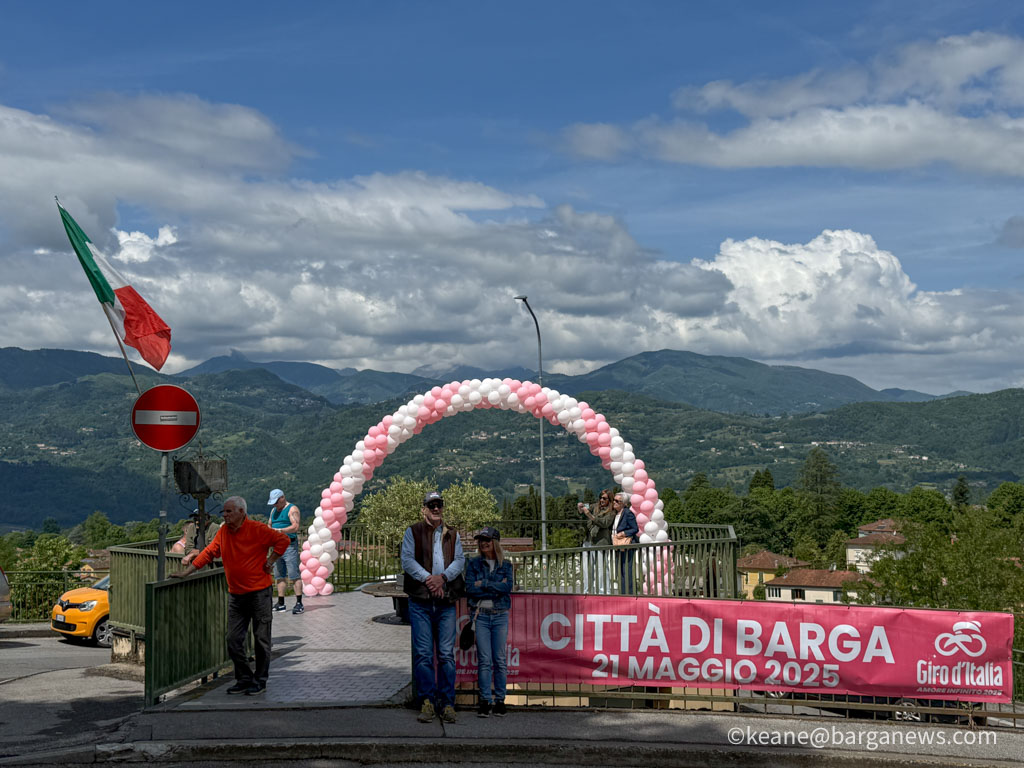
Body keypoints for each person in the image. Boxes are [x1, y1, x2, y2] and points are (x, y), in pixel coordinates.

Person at [171, 496, 290, 696]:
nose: (224, 516)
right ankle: (244, 678)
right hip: (236, 595)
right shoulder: (224, 532)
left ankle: (260, 681)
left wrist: (271, 561)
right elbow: (208, 553)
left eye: (229, 512)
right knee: (233, 640)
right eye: (224, 512)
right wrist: (186, 573)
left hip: (259, 594)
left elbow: (283, 540)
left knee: (261, 639)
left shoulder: (257, 529)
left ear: (241, 512)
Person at [400, 490, 465, 724]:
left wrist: (443, 578)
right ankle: (427, 701)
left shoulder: (453, 534)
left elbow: (459, 560)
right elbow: (407, 560)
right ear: (424, 509)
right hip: (420, 601)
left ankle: (447, 703)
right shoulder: (412, 531)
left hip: (445, 601)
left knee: (446, 655)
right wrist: (430, 579)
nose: (436, 509)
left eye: (439, 505)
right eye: (431, 505)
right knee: (424, 655)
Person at [466, 527, 513, 718]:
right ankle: (485, 699)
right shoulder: (473, 563)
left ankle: (500, 699)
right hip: (481, 615)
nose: (483, 543)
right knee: (485, 659)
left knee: (500, 659)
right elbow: (470, 588)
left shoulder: (506, 565)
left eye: (487, 540)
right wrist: (495, 585)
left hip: (500, 614)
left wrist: (483, 584)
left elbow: (507, 587)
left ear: (495, 542)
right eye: (481, 540)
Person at [267, 489, 303, 614]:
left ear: (282, 498)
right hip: (276, 546)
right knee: (279, 575)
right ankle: (281, 602)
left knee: (293, 574)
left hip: (289, 545)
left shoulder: (292, 509)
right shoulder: (273, 511)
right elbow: (269, 525)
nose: (275, 505)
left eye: (276, 502)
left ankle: (299, 603)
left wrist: (281, 530)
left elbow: (295, 526)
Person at [577, 489, 615, 593]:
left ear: (609, 499)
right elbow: (585, 508)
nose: (601, 500)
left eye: (604, 498)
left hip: (601, 541)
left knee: (601, 568)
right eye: (600, 497)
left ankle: (604, 591)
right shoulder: (594, 506)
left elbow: (605, 523)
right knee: (586, 567)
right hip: (588, 540)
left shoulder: (611, 512)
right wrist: (580, 507)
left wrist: (591, 516)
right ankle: (587, 590)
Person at [612, 492, 639, 595]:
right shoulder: (616, 513)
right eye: (614, 500)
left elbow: (635, 528)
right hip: (618, 544)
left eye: (617, 501)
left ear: (623, 503)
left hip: (626, 544)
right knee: (621, 570)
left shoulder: (627, 513)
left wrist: (624, 533)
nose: (614, 503)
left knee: (627, 568)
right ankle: (623, 592)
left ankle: (629, 593)